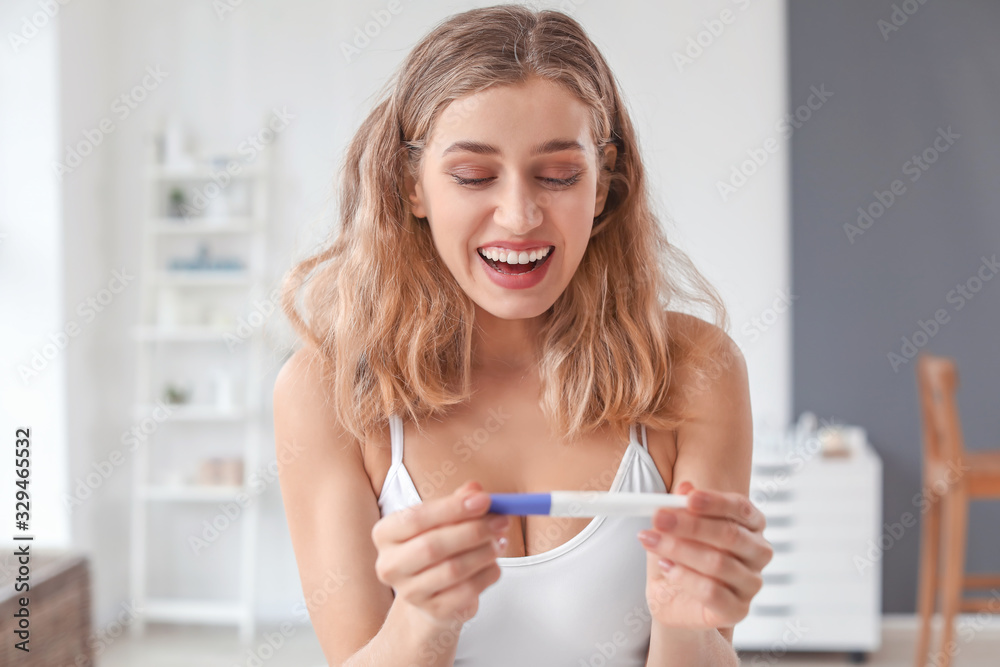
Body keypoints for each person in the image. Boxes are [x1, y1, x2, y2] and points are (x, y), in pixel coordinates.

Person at [273, 5, 772, 666]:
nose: (519, 215)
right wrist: (422, 623)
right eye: (474, 176)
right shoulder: (326, 392)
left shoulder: (695, 370)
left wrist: (688, 624)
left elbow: (700, 648)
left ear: (604, 184)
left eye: (559, 174)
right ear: (410, 184)